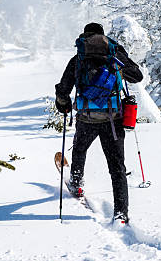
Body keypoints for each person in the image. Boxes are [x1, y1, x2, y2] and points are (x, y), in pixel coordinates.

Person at [55, 22, 143, 224]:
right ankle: (121, 214)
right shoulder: (114, 55)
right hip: (113, 121)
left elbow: (63, 90)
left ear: (85, 37)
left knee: (79, 149)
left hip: (86, 119)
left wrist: (65, 106)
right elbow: (137, 76)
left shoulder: (78, 59)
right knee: (117, 168)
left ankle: (76, 182)